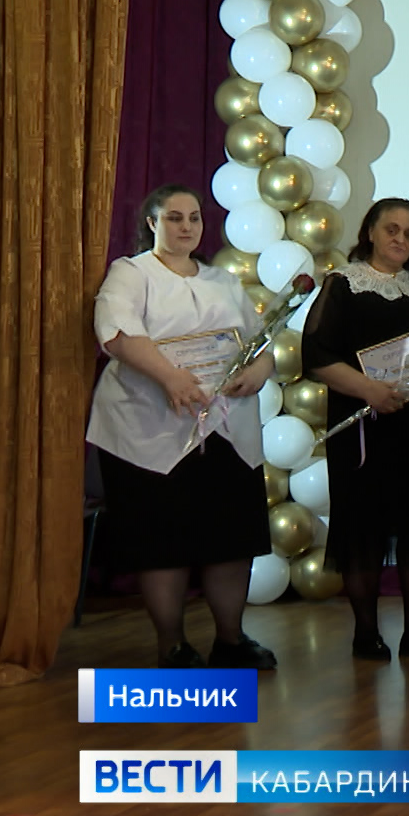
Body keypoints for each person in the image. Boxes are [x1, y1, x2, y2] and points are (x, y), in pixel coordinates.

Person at [87, 185, 277, 669]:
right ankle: (171, 644)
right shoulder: (131, 273)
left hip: (227, 433)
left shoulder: (223, 280)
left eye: (194, 217)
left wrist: (260, 371)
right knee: (162, 543)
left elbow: (260, 342)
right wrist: (170, 376)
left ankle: (231, 640)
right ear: (152, 223)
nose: (187, 226)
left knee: (231, 541)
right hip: (149, 432)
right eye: (174, 217)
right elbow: (117, 332)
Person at [303, 197, 409, 663]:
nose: (400, 239)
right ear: (370, 231)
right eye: (391, 229)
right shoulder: (343, 283)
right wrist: (368, 390)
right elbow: (315, 356)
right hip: (363, 429)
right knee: (363, 529)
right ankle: (366, 634)